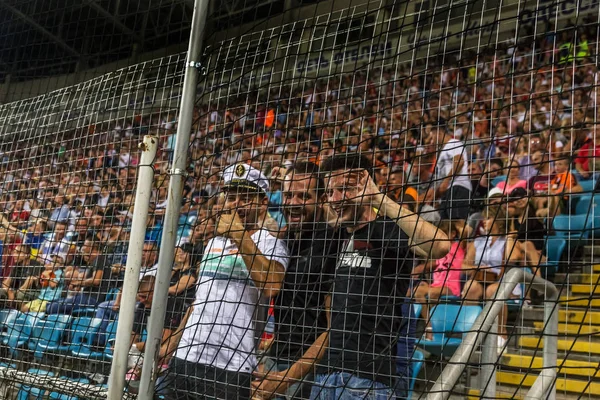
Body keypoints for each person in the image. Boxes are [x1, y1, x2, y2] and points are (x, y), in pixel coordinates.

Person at [307, 154, 448, 399]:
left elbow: (440, 246)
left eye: (345, 189)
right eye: (331, 191)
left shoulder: (389, 229)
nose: (335, 198)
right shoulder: (335, 236)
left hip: (368, 380)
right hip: (324, 377)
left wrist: (377, 198)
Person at [160, 163, 289, 400]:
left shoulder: (270, 243)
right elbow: (199, 302)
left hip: (232, 366)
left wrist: (238, 233)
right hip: (186, 357)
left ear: (262, 203)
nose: (236, 204)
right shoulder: (213, 244)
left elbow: (272, 286)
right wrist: (172, 344)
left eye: (245, 198)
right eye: (231, 198)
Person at [252, 162, 338, 399]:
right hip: (276, 356)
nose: (294, 203)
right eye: (289, 195)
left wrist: (286, 377)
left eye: (304, 196)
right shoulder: (286, 238)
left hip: (312, 370)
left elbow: (334, 329)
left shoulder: (334, 242)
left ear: (321, 200)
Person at [413, 220, 465, 340]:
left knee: (432, 293)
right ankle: (429, 326)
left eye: (444, 233)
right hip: (436, 285)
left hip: (451, 287)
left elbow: (466, 232)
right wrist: (420, 268)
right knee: (416, 291)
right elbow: (435, 263)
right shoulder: (440, 251)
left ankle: (437, 330)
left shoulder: (458, 247)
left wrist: (457, 230)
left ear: (452, 234)